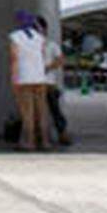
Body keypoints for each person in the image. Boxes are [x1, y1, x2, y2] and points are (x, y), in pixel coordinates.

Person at [8, 10, 51, 151]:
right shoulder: (39, 37)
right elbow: (42, 55)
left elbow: (14, 59)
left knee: (27, 112)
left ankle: (30, 142)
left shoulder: (15, 37)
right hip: (40, 77)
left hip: (24, 78)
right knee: (42, 111)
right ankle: (45, 142)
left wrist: (14, 78)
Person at [37, 17, 72, 146]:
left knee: (54, 109)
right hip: (33, 83)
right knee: (36, 111)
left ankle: (62, 132)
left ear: (44, 29)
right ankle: (39, 136)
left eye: (38, 27)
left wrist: (47, 67)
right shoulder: (30, 46)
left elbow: (60, 60)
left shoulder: (51, 45)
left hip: (49, 83)